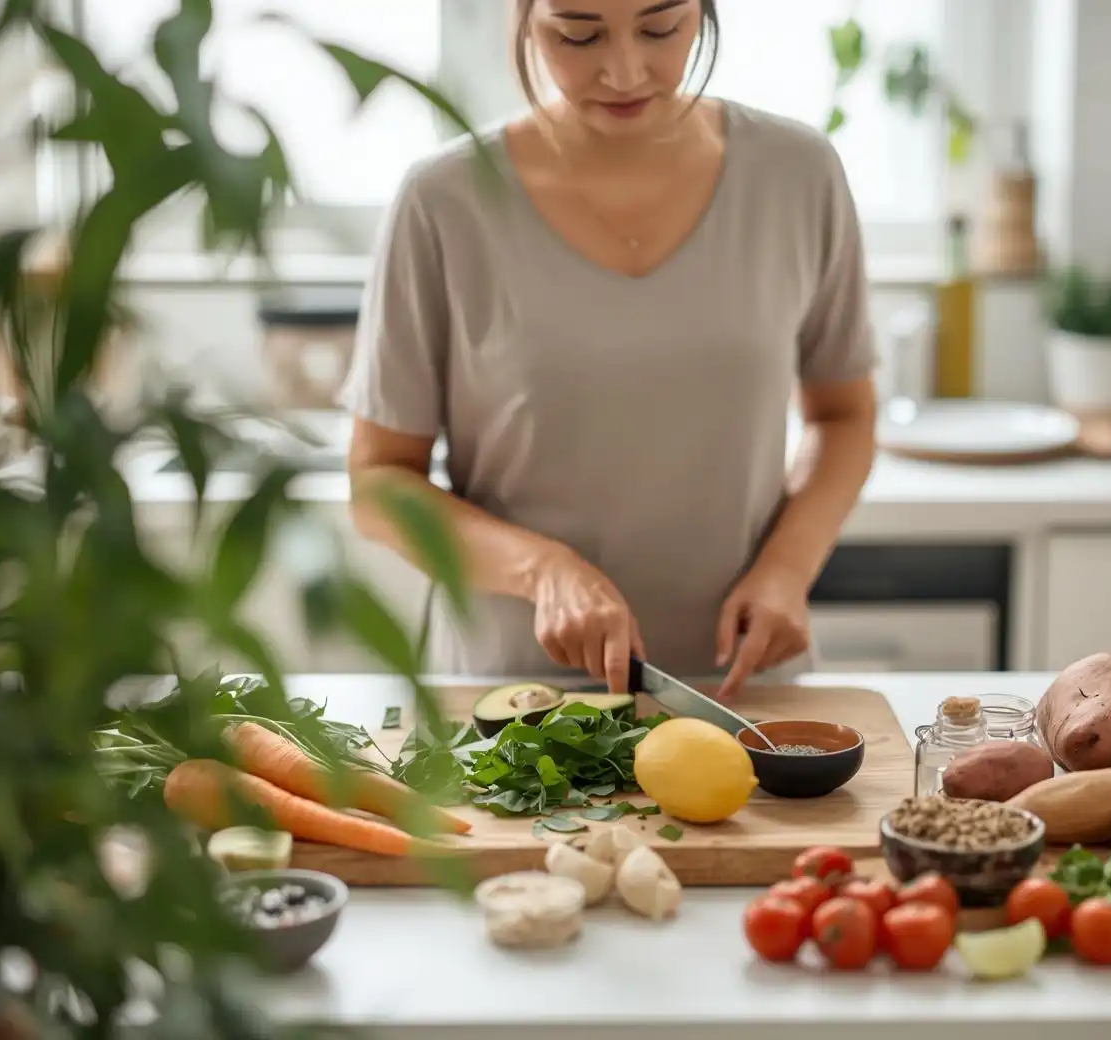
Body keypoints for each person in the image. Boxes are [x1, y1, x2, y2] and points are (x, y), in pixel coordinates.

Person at [341, 0, 878, 700]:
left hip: (744, 692)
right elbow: (379, 486)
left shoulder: (797, 173)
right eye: (578, 34)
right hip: (510, 700)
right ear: (522, 18)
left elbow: (845, 416)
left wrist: (787, 569)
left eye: (662, 28)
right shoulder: (443, 201)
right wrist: (542, 572)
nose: (625, 71)